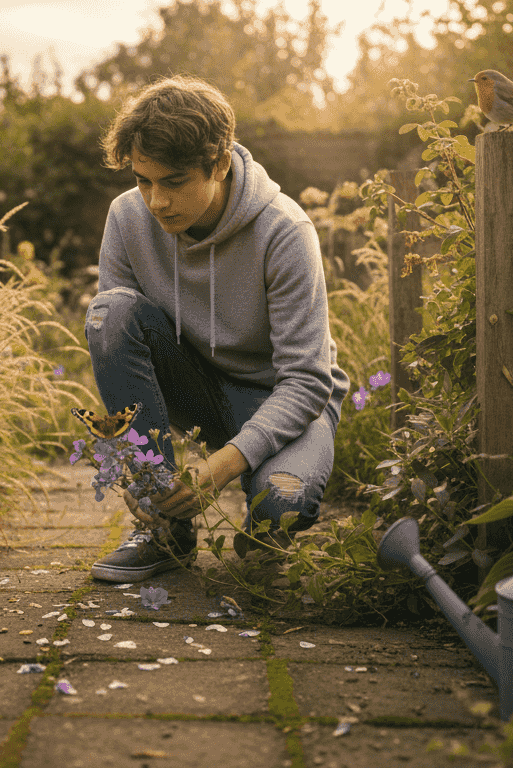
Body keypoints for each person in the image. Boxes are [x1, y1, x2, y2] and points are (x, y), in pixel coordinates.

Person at [84, 75, 350, 583]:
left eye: (174, 181)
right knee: (109, 311)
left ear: (220, 163)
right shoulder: (126, 217)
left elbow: (307, 380)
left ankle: (265, 521)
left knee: (281, 508)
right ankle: (165, 526)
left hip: (280, 397)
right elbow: (117, 337)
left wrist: (221, 468)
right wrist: (149, 477)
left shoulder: (285, 231)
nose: (156, 200)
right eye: (144, 180)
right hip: (196, 385)